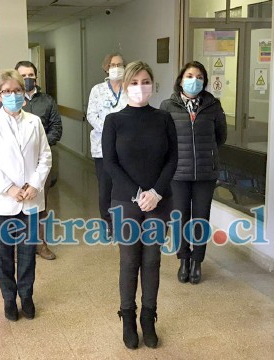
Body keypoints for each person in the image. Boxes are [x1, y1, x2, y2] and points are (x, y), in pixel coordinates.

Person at [103, 61, 177, 349]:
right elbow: (110, 163)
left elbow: (173, 158)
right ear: (125, 85)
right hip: (126, 201)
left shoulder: (163, 119)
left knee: (152, 260)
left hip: (159, 201)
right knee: (130, 260)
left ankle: (149, 316)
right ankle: (128, 317)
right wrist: (137, 194)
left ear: (153, 85)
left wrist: (156, 193)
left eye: (145, 81)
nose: (140, 87)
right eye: (134, 82)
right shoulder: (114, 121)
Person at [0, 69, 52, 321]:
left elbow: (45, 157)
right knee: (5, 255)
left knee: (28, 253)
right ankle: (9, 299)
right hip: (3, 202)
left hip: (30, 200)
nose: (12, 95)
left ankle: (27, 296)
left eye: (17, 91)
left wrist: (35, 184)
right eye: (6, 91)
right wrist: (9, 188)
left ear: (24, 93)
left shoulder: (35, 121)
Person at [160, 62, 227, 284]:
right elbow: (163, 139)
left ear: (204, 81)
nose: (194, 80)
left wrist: (206, 153)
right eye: (190, 75)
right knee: (179, 218)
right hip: (178, 173)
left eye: (199, 76)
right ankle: (184, 260)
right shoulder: (168, 106)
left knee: (200, 218)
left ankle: (197, 261)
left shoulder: (213, 106)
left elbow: (221, 137)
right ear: (181, 79)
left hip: (205, 174)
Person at [15, 60, 62, 260]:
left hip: (41, 161)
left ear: (36, 76)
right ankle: (19, 246)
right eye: (23, 76)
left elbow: (56, 128)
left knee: (40, 204)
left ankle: (41, 245)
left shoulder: (48, 101)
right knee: (18, 204)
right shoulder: (10, 101)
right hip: (16, 163)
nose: (27, 79)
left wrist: (38, 145)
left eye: (30, 75)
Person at [87, 53, 128, 240]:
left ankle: (123, 222)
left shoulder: (129, 88)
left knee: (124, 186)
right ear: (106, 67)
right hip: (102, 147)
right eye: (113, 64)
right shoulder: (97, 90)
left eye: (120, 64)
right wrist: (110, 131)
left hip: (126, 147)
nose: (116, 67)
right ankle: (108, 223)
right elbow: (91, 115)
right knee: (105, 188)